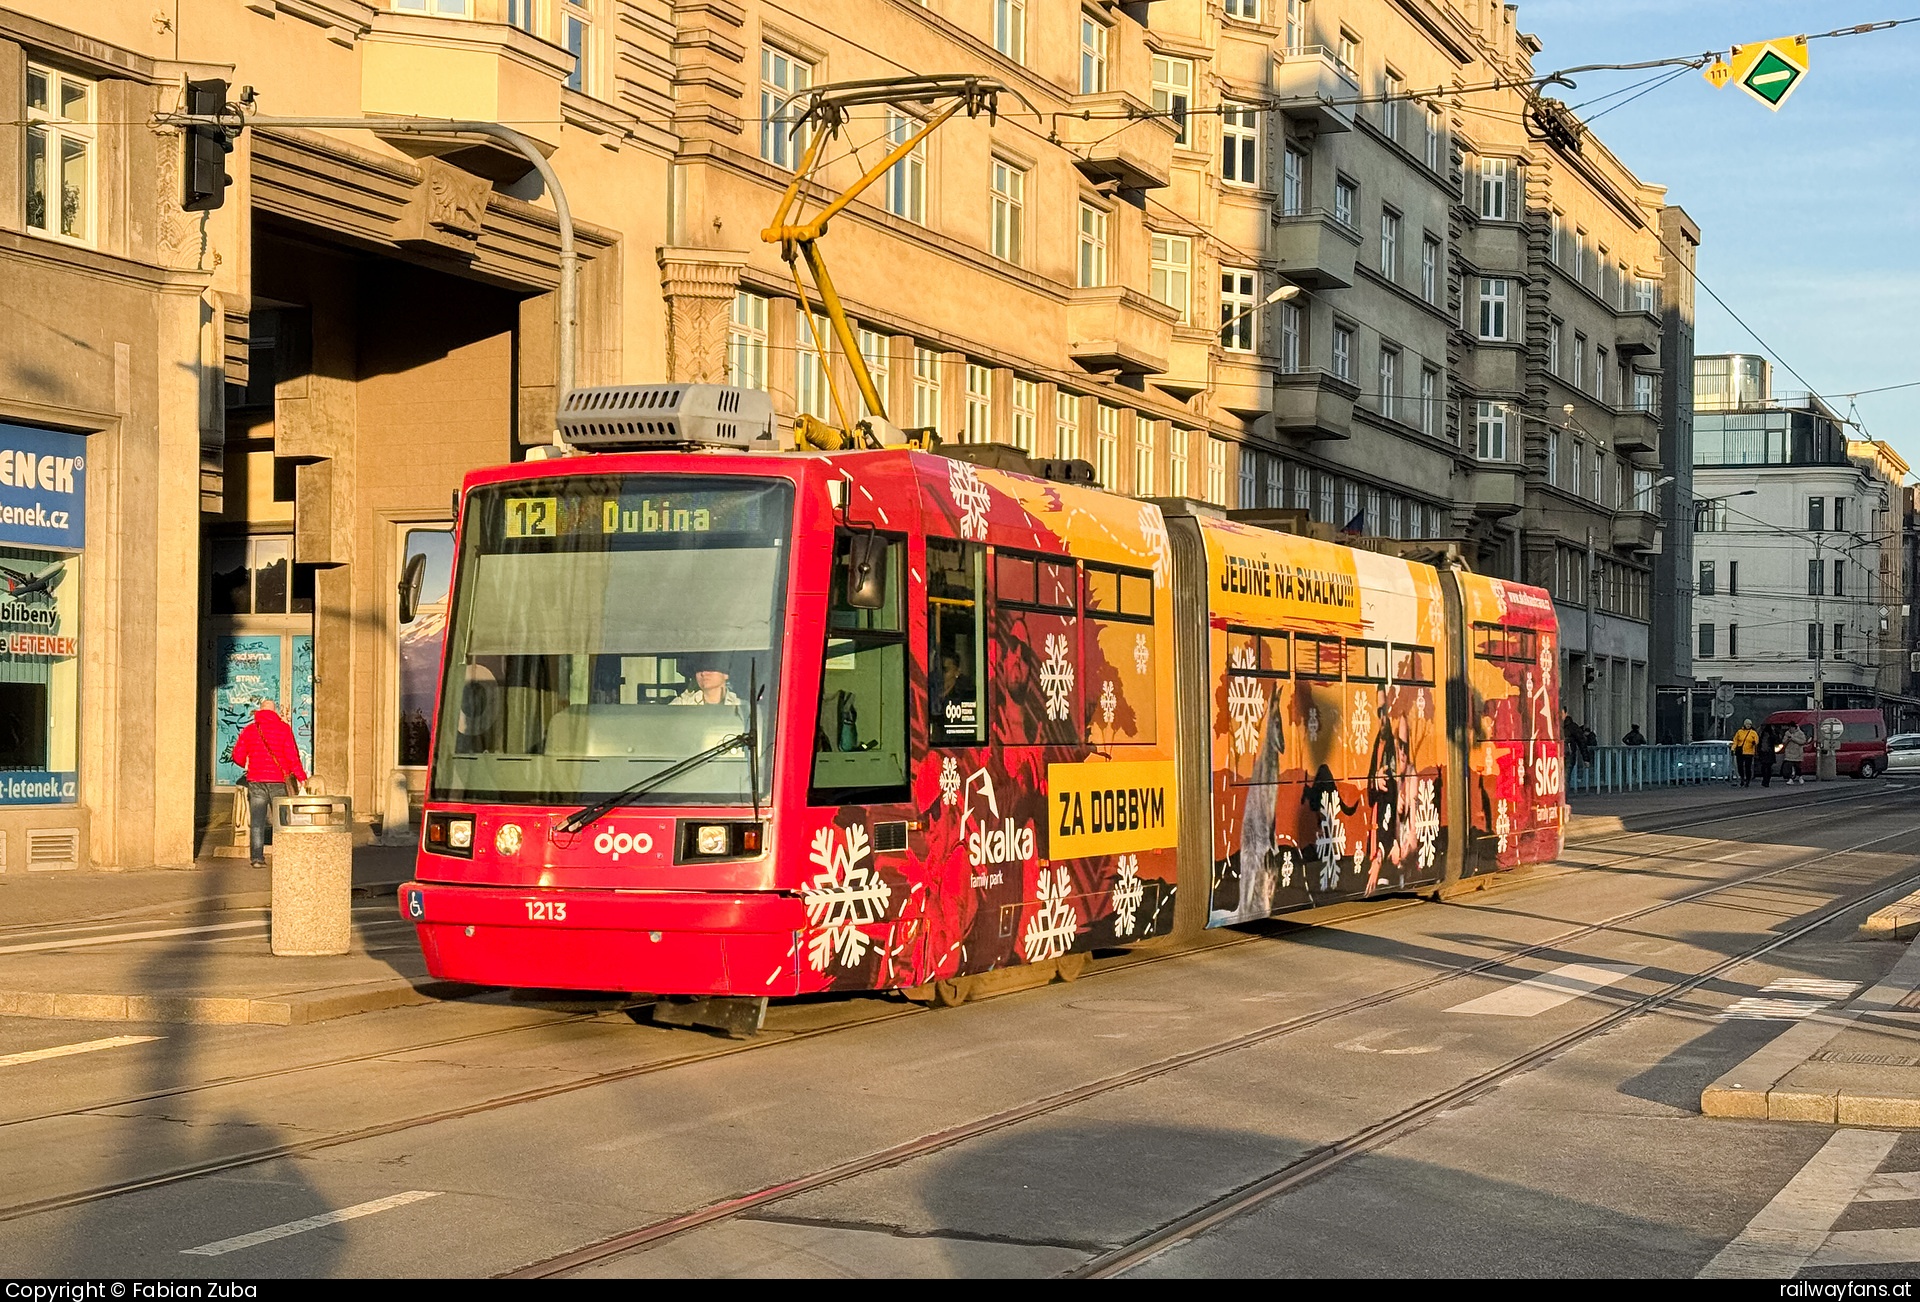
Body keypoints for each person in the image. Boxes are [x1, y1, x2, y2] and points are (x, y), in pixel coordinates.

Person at [229, 698, 308, 868]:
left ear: (260, 711)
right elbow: (292, 756)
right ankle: (284, 856)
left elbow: (237, 755)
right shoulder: (283, 729)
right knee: (281, 820)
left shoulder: (250, 730)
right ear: (274, 712)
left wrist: (247, 764)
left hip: (256, 780)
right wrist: (301, 777)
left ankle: (257, 858)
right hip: (278, 780)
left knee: (257, 821)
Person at [671, 654, 741, 706]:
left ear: (726, 674)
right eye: (699, 670)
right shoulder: (682, 705)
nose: (704, 673)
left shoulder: (741, 706)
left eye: (711, 668)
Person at [1732, 718, 1759, 787]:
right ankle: (1742, 778)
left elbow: (1757, 741)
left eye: (1750, 724)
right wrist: (1733, 748)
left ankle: (1747, 780)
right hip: (1740, 752)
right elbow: (1735, 741)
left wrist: (1754, 742)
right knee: (1740, 766)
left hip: (1749, 752)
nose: (1748, 725)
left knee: (1748, 767)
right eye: (1747, 724)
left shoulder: (1753, 733)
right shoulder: (1739, 732)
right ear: (1744, 724)